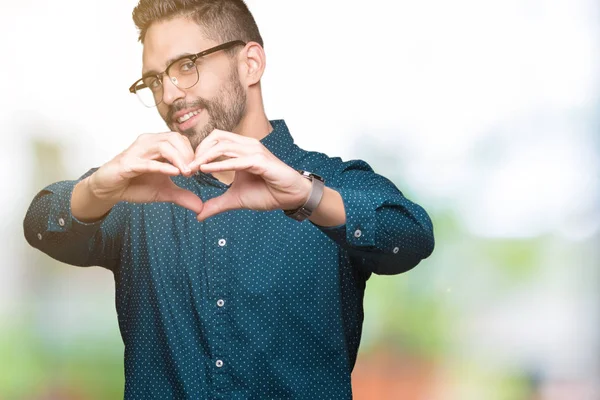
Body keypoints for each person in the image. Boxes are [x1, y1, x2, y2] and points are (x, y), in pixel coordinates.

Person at [23, 0, 435, 398]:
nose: (168, 95)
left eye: (186, 66)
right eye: (154, 80)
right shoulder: (135, 193)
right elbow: (42, 226)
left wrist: (306, 195)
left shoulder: (330, 183)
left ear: (250, 63)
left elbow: (412, 237)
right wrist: (97, 187)